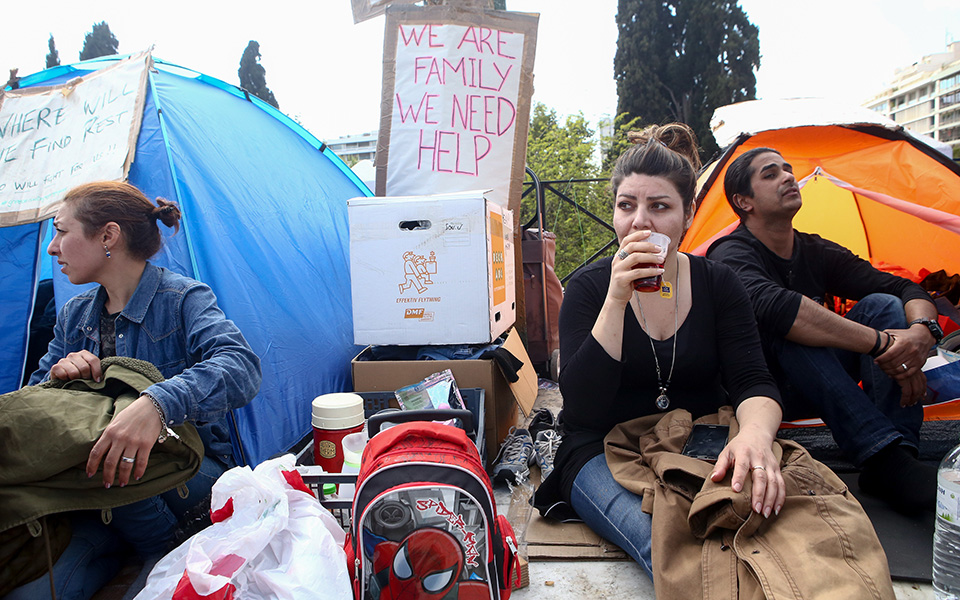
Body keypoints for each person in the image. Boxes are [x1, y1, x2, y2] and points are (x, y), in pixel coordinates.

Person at [533, 125, 785, 580]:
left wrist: (754, 437)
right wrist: (617, 300)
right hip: (599, 451)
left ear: (688, 215)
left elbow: (754, 381)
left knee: (762, 530)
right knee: (670, 544)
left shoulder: (718, 283)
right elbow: (583, 407)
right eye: (626, 206)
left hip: (697, 441)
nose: (640, 222)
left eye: (660, 206)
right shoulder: (590, 289)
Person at [5, 181, 262, 600]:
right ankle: (140, 549)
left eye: (61, 231)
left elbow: (241, 366)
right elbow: (34, 406)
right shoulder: (74, 315)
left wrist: (156, 404)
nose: (52, 248)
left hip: (185, 471)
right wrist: (59, 378)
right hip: (97, 490)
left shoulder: (182, 299)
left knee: (118, 454)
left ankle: (165, 550)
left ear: (108, 236)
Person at [706, 147, 942, 513]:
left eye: (787, 169)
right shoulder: (729, 253)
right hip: (764, 393)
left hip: (823, 379)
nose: (787, 176)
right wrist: (883, 345)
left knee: (884, 306)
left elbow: (903, 288)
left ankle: (900, 456)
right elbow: (780, 310)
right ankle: (881, 457)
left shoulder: (815, 249)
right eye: (770, 174)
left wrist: (922, 334)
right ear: (744, 201)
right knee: (794, 327)